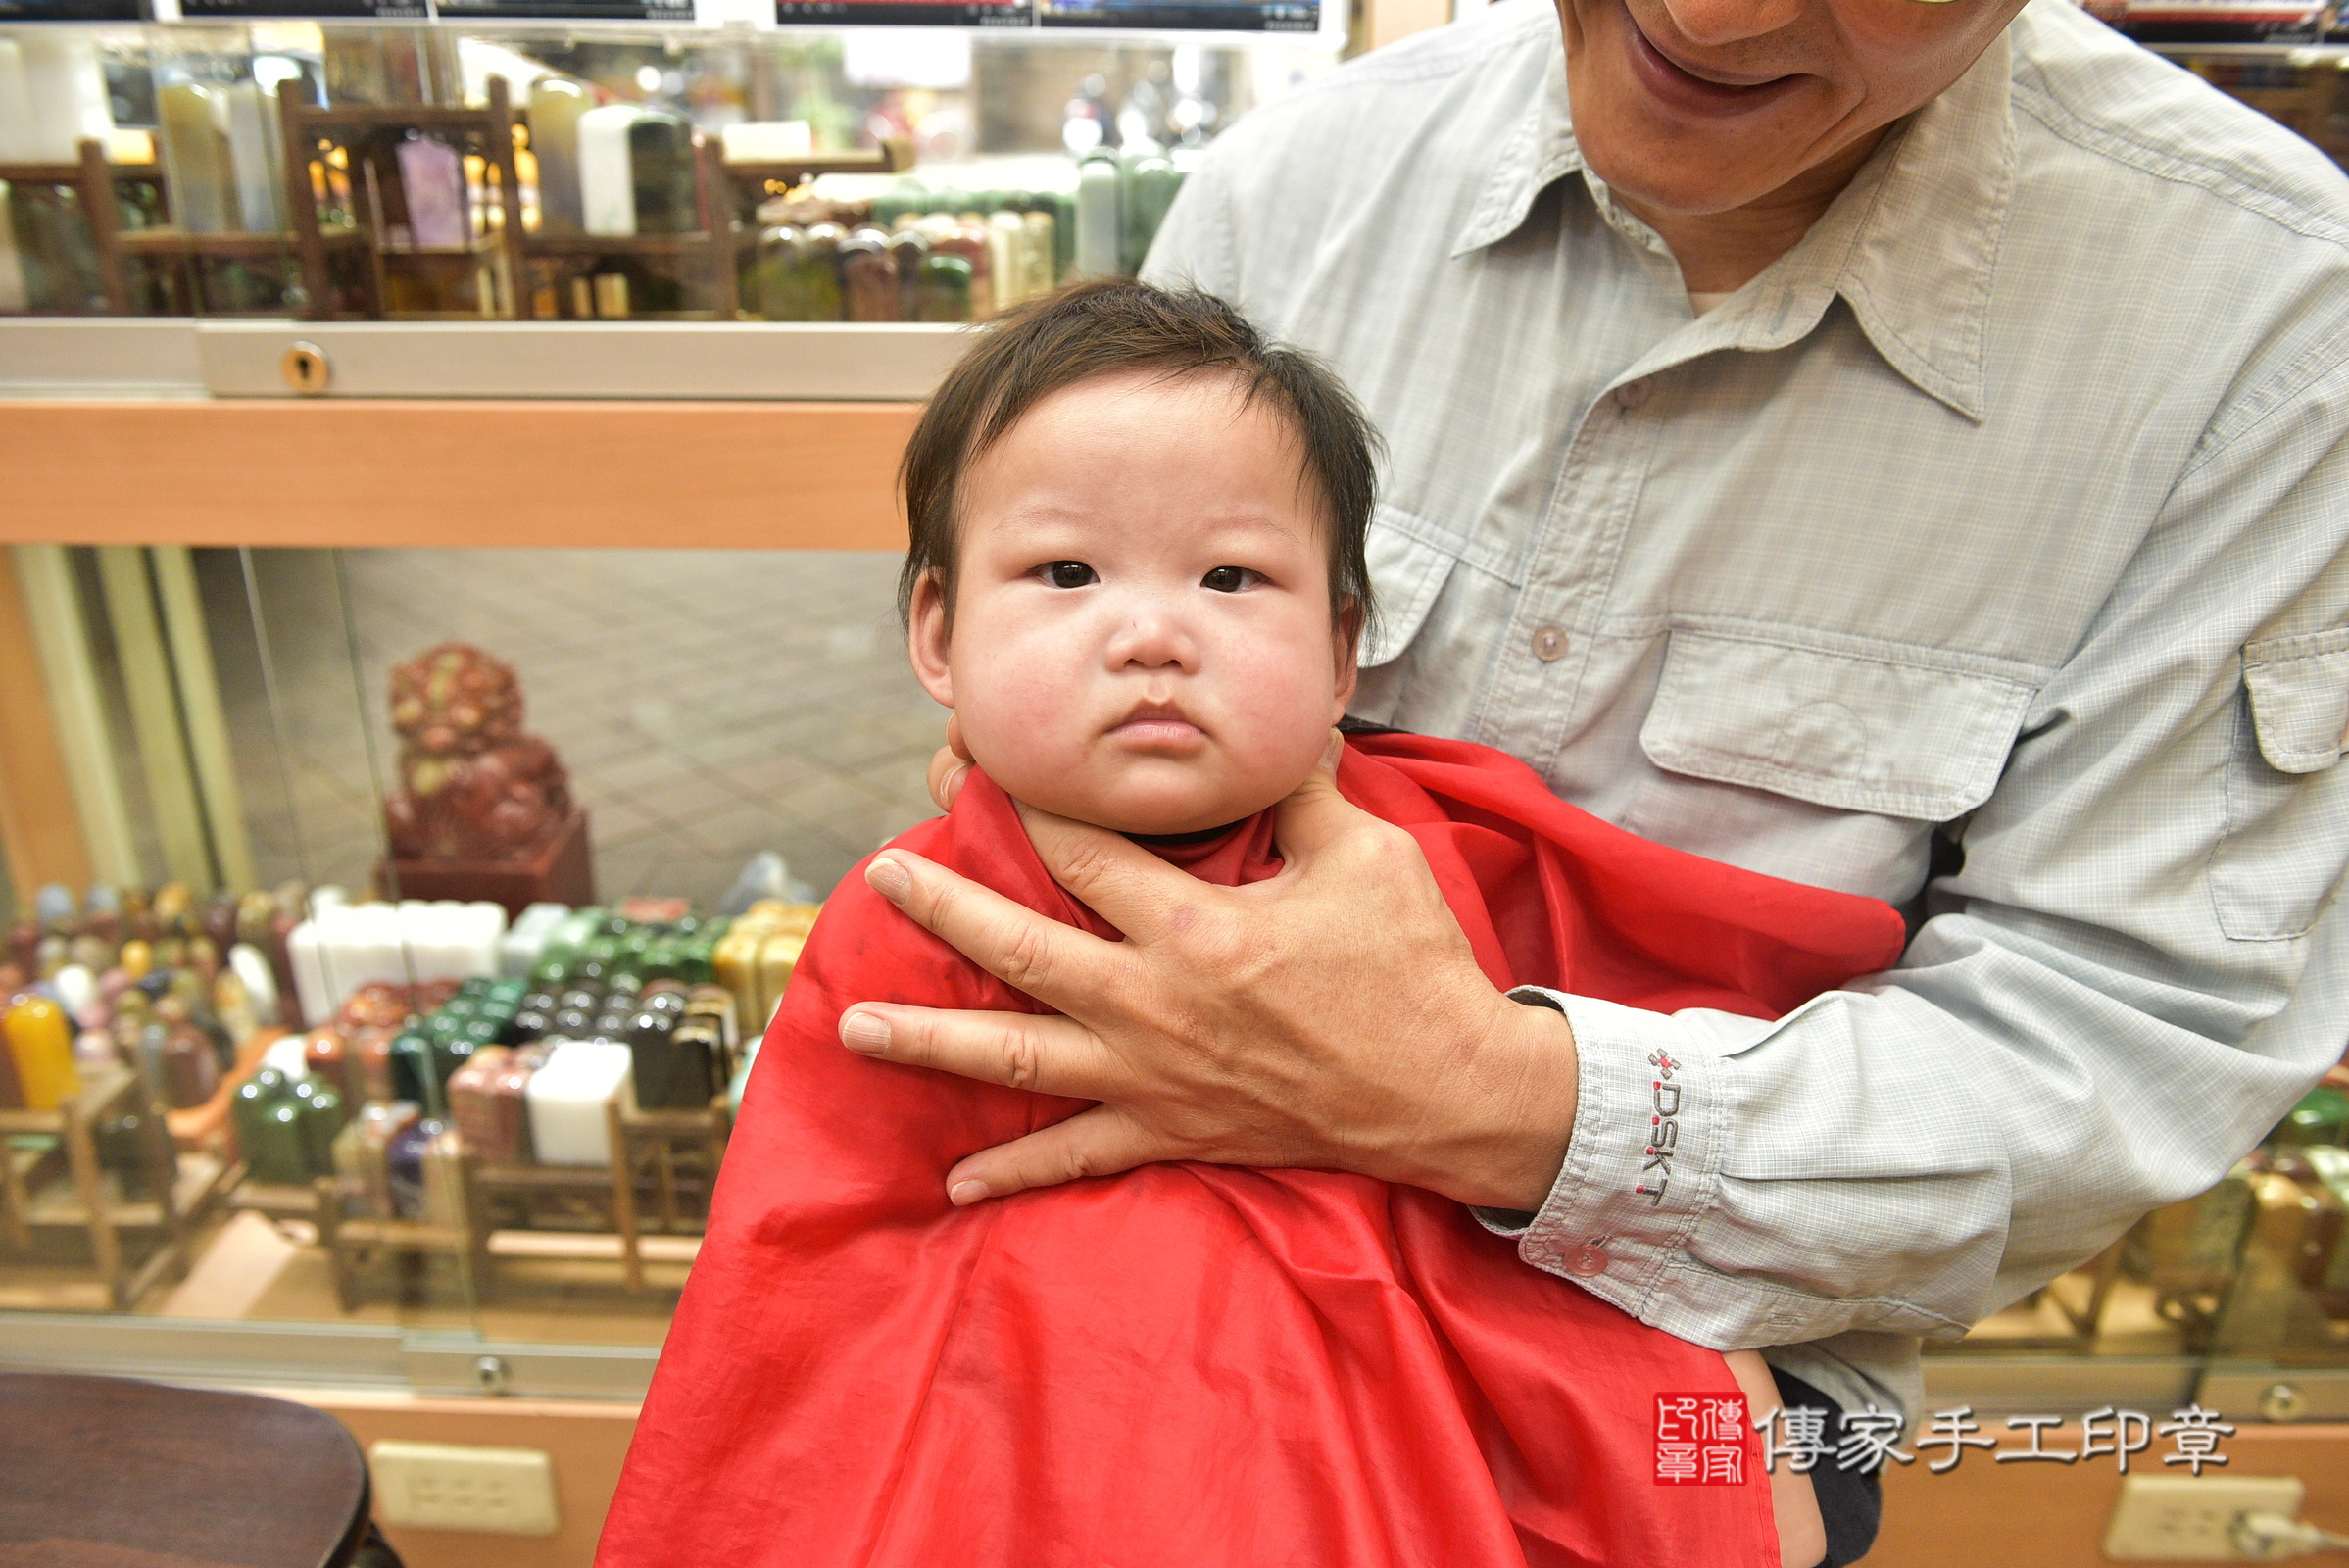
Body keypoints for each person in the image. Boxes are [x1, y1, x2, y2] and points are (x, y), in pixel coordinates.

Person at [836, 1, 2349, 1562]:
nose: (1719, 14)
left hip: (1705, 1350)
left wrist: (1485, 1101)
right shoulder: (1298, 184)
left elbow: (2123, 1038)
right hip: (1136, 1279)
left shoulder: (2263, 329)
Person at [596, 281, 1924, 1565]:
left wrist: (1714, 1386)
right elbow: (814, 1273)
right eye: (1066, 571)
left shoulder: (1420, 857)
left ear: (1345, 647)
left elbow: (1622, 1085)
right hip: (1017, 1430)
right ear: (939, 635)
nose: (1153, 633)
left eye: (1231, 578)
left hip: (1386, 1408)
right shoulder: (912, 915)